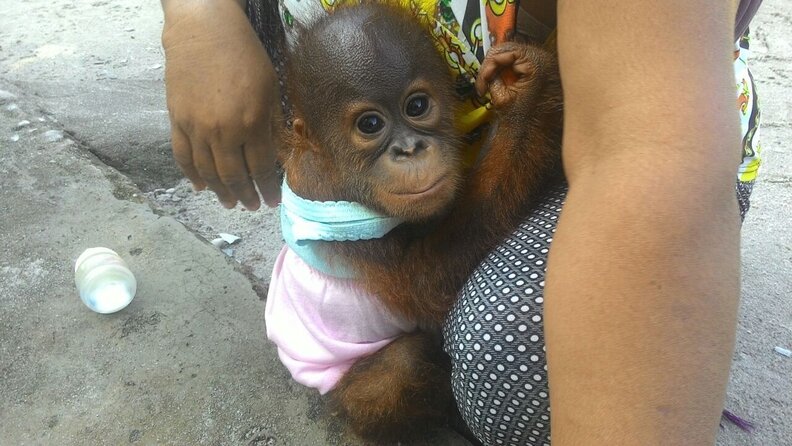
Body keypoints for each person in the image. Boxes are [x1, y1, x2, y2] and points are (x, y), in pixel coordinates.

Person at [159, 0, 763, 444]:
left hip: (653, 118)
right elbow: (446, 272)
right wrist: (196, 16)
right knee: (422, 376)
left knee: (527, 360)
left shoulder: (356, 154)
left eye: (419, 109)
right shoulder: (327, 198)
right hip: (369, 364)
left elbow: (649, 160)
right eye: (372, 128)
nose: (409, 149)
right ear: (312, 144)